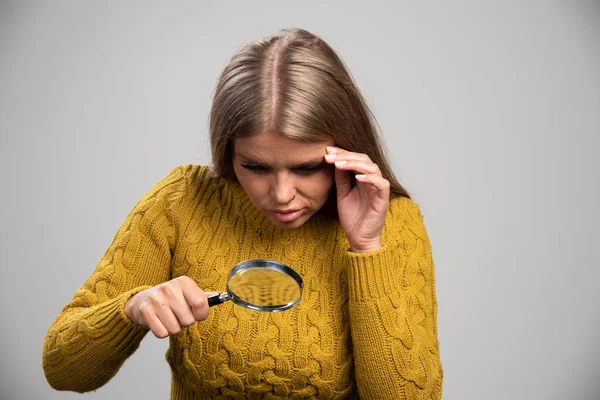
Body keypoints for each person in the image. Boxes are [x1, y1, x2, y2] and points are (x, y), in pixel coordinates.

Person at [43, 28, 443, 399]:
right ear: (227, 152)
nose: (282, 195)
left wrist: (367, 248)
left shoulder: (394, 221)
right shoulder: (182, 202)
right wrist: (131, 309)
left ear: (347, 154)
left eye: (307, 168)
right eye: (256, 167)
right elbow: (63, 371)